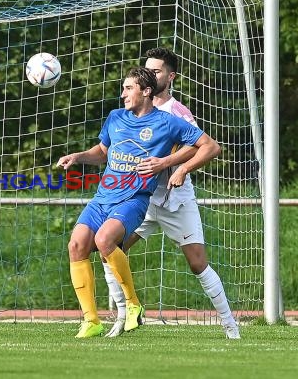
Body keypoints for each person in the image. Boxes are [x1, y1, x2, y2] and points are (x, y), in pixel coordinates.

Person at [56, 66, 221, 338]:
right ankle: (91, 320)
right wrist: (78, 156)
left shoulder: (166, 122)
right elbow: (103, 153)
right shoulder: (116, 117)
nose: (123, 94)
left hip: (133, 198)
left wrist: (173, 165)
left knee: (105, 240)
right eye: (123, 88)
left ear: (146, 91)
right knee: (76, 245)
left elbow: (208, 145)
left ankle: (133, 304)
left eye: (128, 88)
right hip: (103, 197)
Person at [101, 48, 241, 339]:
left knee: (197, 263)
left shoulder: (177, 113)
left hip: (175, 200)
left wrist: (178, 168)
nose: (151, 74)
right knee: (108, 247)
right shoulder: (132, 110)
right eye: (147, 69)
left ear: (170, 76)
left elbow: (205, 146)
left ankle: (231, 326)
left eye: (157, 70)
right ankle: (124, 316)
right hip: (141, 199)